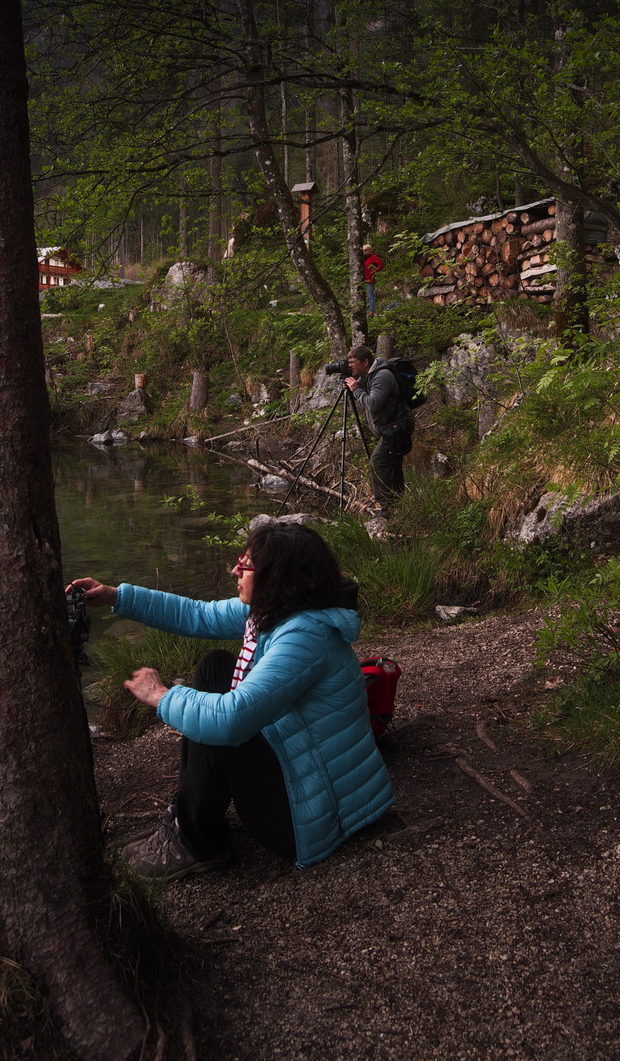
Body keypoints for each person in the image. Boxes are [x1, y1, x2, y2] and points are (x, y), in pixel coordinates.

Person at [71, 523, 394, 880]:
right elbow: (198, 615)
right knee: (215, 667)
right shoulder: (280, 610)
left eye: (247, 564)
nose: (235, 569)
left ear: (278, 576)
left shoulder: (305, 636)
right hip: (302, 767)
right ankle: (190, 820)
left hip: (315, 813)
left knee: (222, 726)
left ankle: (196, 842)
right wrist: (118, 596)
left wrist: (162, 695)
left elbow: (230, 720)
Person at [345, 344, 413, 518]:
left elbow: (373, 404)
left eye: (352, 362)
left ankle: (386, 509)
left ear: (365, 362)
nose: (349, 365)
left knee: (378, 461)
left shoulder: (381, 376)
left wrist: (356, 390)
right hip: (392, 427)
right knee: (393, 465)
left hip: (398, 427)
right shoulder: (367, 376)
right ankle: (398, 505)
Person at [363, 243, 384, 316]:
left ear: (370, 250)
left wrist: (374, 271)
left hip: (370, 279)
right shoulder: (363, 258)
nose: (365, 252)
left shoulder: (373, 257)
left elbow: (381, 265)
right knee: (361, 295)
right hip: (362, 279)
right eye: (364, 251)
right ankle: (363, 311)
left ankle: (371, 311)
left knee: (370, 296)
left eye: (366, 250)